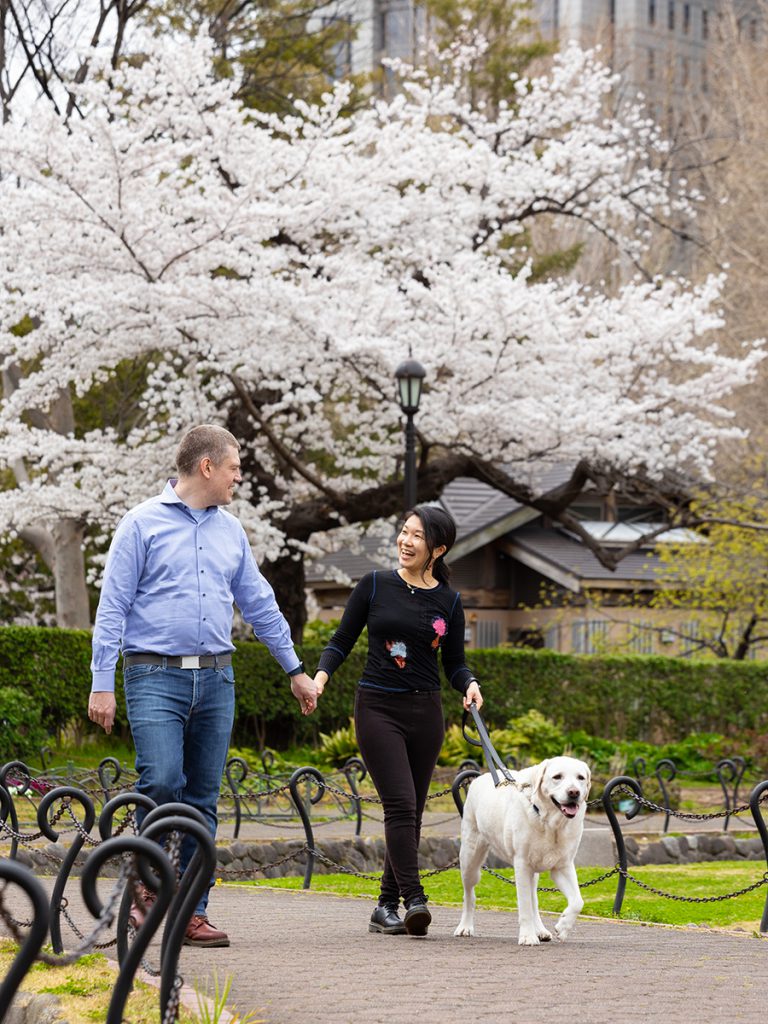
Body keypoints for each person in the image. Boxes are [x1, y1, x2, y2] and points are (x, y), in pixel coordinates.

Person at [87, 424, 317, 948]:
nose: (240, 476)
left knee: (202, 801)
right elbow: (113, 606)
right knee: (162, 783)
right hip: (152, 674)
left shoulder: (230, 531)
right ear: (207, 466)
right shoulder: (140, 524)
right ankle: (145, 897)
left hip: (217, 677)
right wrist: (103, 682)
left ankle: (191, 911)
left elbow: (259, 604)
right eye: (234, 467)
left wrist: (295, 670)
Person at [313, 504, 482, 937]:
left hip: (426, 713)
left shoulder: (450, 600)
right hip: (377, 707)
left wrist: (469, 684)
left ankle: (385, 906)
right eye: (403, 533)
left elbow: (455, 664)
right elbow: (342, 639)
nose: (405, 542)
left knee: (412, 811)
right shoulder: (373, 584)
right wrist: (319, 678)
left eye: (416, 537)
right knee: (401, 804)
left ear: (437, 549)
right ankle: (415, 899)